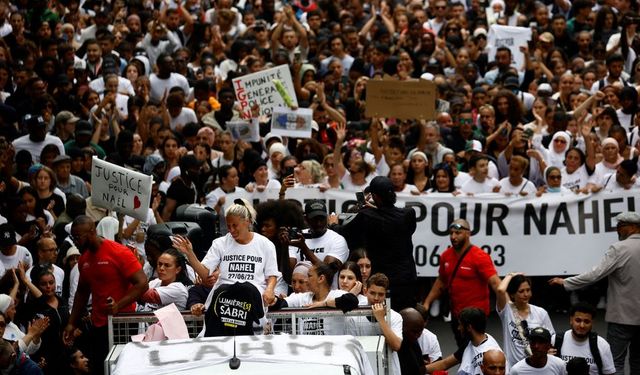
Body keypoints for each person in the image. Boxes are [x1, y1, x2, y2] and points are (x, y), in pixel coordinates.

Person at [549, 212, 640, 375]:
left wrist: (566, 282)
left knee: (615, 361)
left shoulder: (619, 248)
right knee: (638, 361)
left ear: (633, 227)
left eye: (620, 226)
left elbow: (595, 274)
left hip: (622, 317)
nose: (617, 230)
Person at [172, 199, 281, 334]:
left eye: (235, 225)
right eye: (228, 226)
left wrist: (270, 289)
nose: (231, 230)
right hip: (223, 297)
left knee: (246, 289)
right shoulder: (220, 243)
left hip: (251, 298)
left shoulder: (265, 244)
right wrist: (189, 253)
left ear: (247, 222)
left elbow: (272, 275)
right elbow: (205, 274)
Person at [63, 215, 148, 375]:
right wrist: (71, 323)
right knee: (101, 367)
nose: (75, 242)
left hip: (123, 323)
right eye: (73, 237)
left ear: (92, 232)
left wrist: (118, 305)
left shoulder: (119, 252)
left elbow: (142, 283)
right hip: (99, 325)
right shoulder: (84, 260)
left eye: (78, 237)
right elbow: (82, 292)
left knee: (123, 368)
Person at [333, 176, 417, 311]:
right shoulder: (408, 214)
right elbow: (391, 216)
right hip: (406, 280)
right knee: (406, 319)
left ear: (375, 196)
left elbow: (343, 232)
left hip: (381, 283)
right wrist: (376, 209)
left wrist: (333, 223)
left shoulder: (367, 216)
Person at [423, 219, 501, 346]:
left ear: (468, 233)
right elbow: (441, 281)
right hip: (457, 314)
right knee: (462, 347)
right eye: (451, 233)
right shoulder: (446, 256)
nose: (453, 237)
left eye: (458, 233)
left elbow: (495, 283)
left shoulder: (479, 256)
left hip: (476, 315)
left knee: (476, 348)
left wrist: (509, 306)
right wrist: (427, 302)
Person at [271, 263, 359, 335]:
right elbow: (281, 304)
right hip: (307, 353)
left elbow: (352, 300)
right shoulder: (303, 297)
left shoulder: (336, 294)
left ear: (321, 278)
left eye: (309, 276)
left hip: (331, 353)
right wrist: (273, 300)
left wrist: (324, 304)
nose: (306, 280)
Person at [345, 273, 403, 375]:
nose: (376, 298)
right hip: (364, 369)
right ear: (365, 291)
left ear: (386, 295)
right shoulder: (353, 315)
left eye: (381, 294)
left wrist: (381, 319)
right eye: (372, 293)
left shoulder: (395, 317)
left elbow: (396, 345)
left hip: (390, 371)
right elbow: (352, 348)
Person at [496, 273, 555, 367]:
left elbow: (551, 336)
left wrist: (548, 349)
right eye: (521, 291)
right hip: (513, 367)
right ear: (512, 294)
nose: (526, 294)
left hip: (536, 365)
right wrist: (510, 275)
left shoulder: (541, 312)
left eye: (528, 290)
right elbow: (500, 290)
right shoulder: (507, 311)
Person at [426, 307, 504, 374]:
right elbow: (445, 364)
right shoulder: (471, 342)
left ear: (469, 327)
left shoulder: (490, 355)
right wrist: (419, 370)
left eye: (460, 325)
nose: (458, 328)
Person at [547, 303, 616, 375]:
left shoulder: (602, 345)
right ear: (571, 320)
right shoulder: (555, 340)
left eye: (586, 322)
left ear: (592, 323)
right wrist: (546, 359)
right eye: (578, 320)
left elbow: (609, 373)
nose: (582, 325)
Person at [283, 200, 349, 271]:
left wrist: (304, 248)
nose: (319, 223)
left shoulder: (337, 240)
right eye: (314, 219)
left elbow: (328, 272)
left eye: (322, 219)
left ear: (327, 217)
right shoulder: (297, 237)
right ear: (306, 219)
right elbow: (288, 275)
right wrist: (284, 246)